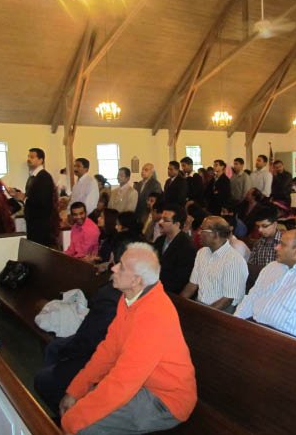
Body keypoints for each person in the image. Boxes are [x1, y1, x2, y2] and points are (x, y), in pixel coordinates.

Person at [59, 243, 197, 435]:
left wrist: (75, 419)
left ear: (136, 281)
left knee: (83, 426)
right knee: (76, 404)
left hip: (166, 400)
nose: (114, 268)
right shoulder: (129, 300)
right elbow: (109, 350)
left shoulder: (154, 315)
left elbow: (125, 379)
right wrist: (76, 389)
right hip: (141, 383)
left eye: (122, 267)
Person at [34, 280, 121, 415]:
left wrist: (67, 352)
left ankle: (64, 410)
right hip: (97, 341)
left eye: (121, 269)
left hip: (96, 351)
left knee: (44, 378)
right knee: (54, 346)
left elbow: (89, 341)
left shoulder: (111, 298)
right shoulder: (119, 294)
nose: (114, 270)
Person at [180, 216, 248, 313]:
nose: (198, 233)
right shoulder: (202, 252)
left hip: (222, 311)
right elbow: (192, 285)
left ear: (215, 235)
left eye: (202, 230)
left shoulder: (234, 260)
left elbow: (228, 299)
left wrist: (203, 314)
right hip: (200, 304)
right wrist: (178, 304)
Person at [11, 148, 58, 247]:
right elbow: (32, 195)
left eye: (32, 157)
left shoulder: (44, 177)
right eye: (28, 156)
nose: (29, 159)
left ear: (41, 160)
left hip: (41, 223)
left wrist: (24, 198)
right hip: (33, 222)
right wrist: (18, 194)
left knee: (40, 250)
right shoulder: (33, 177)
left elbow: (43, 201)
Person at [153, 204, 197, 294]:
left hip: (170, 293)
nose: (160, 222)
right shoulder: (159, 240)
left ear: (177, 224)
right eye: (161, 219)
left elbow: (181, 279)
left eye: (165, 220)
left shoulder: (187, 246)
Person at [247, 206, 282, 286]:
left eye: (264, 226)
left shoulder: (284, 242)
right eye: (258, 226)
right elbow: (251, 267)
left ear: (275, 224)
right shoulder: (258, 244)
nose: (260, 230)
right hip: (261, 284)